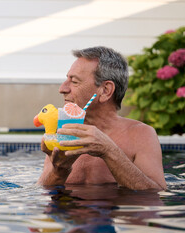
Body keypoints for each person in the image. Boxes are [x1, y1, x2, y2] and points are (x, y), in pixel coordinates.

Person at [37, 46, 167, 190]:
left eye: (74, 82)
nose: (62, 88)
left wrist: (109, 151)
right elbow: (42, 192)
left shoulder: (140, 135)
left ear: (105, 91)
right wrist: (59, 170)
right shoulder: (62, 132)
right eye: (67, 79)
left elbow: (156, 194)